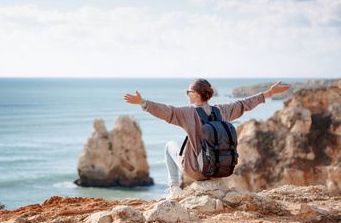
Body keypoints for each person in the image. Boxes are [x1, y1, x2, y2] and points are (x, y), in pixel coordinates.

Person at [124, 79, 290, 199]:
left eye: (188, 92)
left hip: (197, 171)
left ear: (196, 95)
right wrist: (269, 93)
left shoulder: (187, 113)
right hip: (219, 170)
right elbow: (244, 104)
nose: (187, 95)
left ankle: (174, 188)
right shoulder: (222, 110)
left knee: (169, 146)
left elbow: (166, 111)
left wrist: (143, 103)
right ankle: (177, 187)